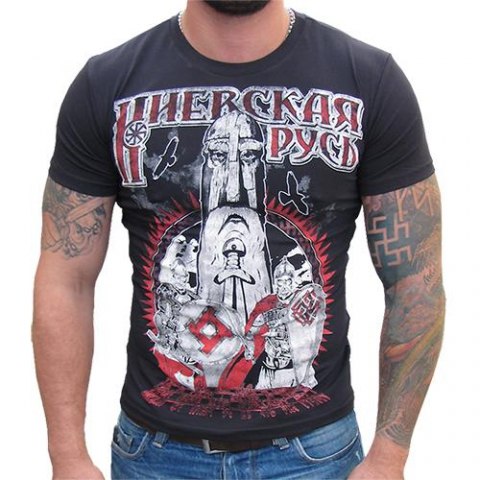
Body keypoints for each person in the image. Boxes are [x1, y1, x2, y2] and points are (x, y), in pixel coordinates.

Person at [32, 0, 445, 478]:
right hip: (156, 453)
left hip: (313, 455)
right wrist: (67, 456)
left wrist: (389, 457)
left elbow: (415, 283)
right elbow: (66, 279)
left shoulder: (368, 80)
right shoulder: (109, 83)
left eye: (248, 155)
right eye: (220, 155)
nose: (233, 171)